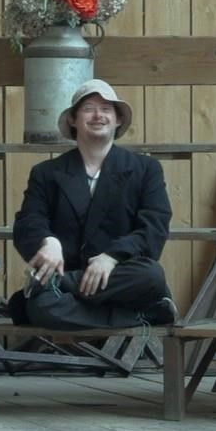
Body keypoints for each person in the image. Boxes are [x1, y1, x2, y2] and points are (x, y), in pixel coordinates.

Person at [10, 79, 177, 328]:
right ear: (73, 120)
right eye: (88, 109)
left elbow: (154, 226)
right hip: (75, 278)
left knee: (151, 275)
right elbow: (28, 222)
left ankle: (60, 286)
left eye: (106, 109)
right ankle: (138, 317)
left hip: (120, 278)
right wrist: (48, 241)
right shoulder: (46, 173)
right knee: (42, 306)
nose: (98, 115)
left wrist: (111, 257)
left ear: (118, 120)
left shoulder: (145, 169)